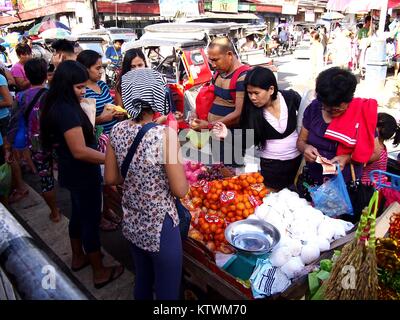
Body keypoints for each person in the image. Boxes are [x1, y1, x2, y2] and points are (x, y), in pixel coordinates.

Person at [104, 68, 188, 300]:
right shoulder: (165, 135)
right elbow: (180, 190)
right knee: (167, 291)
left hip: (132, 220)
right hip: (160, 226)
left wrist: (137, 176)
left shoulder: (118, 129)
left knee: (142, 279)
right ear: (156, 96)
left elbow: (110, 178)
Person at [40, 60, 124, 288]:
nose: (83, 90)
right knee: (90, 221)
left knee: (78, 215)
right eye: (79, 87)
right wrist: (112, 160)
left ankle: (78, 257)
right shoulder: (66, 110)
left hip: (71, 172)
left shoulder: (57, 104)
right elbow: (79, 150)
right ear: (66, 86)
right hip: (82, 174)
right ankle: (99, 271)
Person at [296, 67, 377, 189]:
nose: (330, 112)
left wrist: (347, 158)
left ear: (349, 100)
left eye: (337, 109)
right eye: (326, 108)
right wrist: (306, 148)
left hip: (344, 185)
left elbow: (375, 153)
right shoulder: (314, 109)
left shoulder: (361, 113)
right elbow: (300, 142)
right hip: (313, 182)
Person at [190, 36, 250, 166]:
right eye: (210, 60)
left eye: (216, 60)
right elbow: (211, 97)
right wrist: (196, 113)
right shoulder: (218, 73)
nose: (213, 64)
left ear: (229, 55)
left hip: (232, 136)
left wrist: (208, 125)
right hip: (216, 134)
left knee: (231, 175)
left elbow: (239, 113)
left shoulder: (243, 76)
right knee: (219, 170)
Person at [240, 67, 302, 190]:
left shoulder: (290, 97)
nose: (252, 97)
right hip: (272, 167)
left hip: (297, 162)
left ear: (271, 89)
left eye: (256, 93)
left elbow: (307, 119)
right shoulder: (251, 110)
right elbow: (246, 140)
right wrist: (226, 135)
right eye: (249, 93)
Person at [22, 58, 61, 222]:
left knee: (46, 180)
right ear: (45, 74)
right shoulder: (51, 96)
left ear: (26, 75)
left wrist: (14, 148)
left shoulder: (21, 97)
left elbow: (17, 125)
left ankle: (54, 212)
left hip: (36, 145)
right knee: (69, 175)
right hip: (57, 142)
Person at [77, 50, 124, 136]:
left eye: (101, 67)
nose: (101, 71)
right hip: (98, 139)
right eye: (97, 68)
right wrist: (101, 119)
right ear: (85, 69)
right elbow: (80, 123)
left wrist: (117, 113)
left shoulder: (103, 85)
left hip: (114, 135)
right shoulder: (82, 91)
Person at [361, 113, 400, 184]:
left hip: (366, 188)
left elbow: (359, 163)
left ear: (377, 129)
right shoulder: (383, 148)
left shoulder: (374, 150)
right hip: (379, 186)